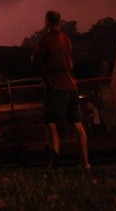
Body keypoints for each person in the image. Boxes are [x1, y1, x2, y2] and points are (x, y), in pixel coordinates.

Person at [31, 10, 90, 170]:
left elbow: (35, 58)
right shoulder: (66, 40)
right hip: (71, 86)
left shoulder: (47, 40)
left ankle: (55, 160)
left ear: (47, 21)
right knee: (77, 123)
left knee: (51, 123)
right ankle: (85, 161)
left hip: (55, 88)